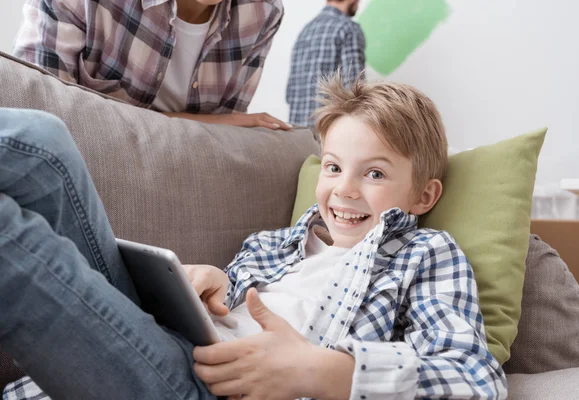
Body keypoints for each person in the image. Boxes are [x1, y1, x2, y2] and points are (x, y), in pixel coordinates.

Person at [1, 74, 507, 399]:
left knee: (8, 238)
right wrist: (207, 287)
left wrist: (319, 371)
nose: (344, 190)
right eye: (332, 167)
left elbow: (475, 380)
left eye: (374, 174)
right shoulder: (271, 246)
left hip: (213, 389)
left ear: (423, 196)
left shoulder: (424, 254)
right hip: (171, 345)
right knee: (42, 141)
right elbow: (218, 314)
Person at [13, 0, 291, 131]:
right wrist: (207, 122)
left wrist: (218, 124)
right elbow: (37, 120)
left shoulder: (262, 13)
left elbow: (218, 140)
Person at [286, 0, 365, 128]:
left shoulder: (306, 30)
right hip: (327, 133)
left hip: (298, 134)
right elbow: (355, 91)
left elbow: (290, 91)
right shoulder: (348, 28)